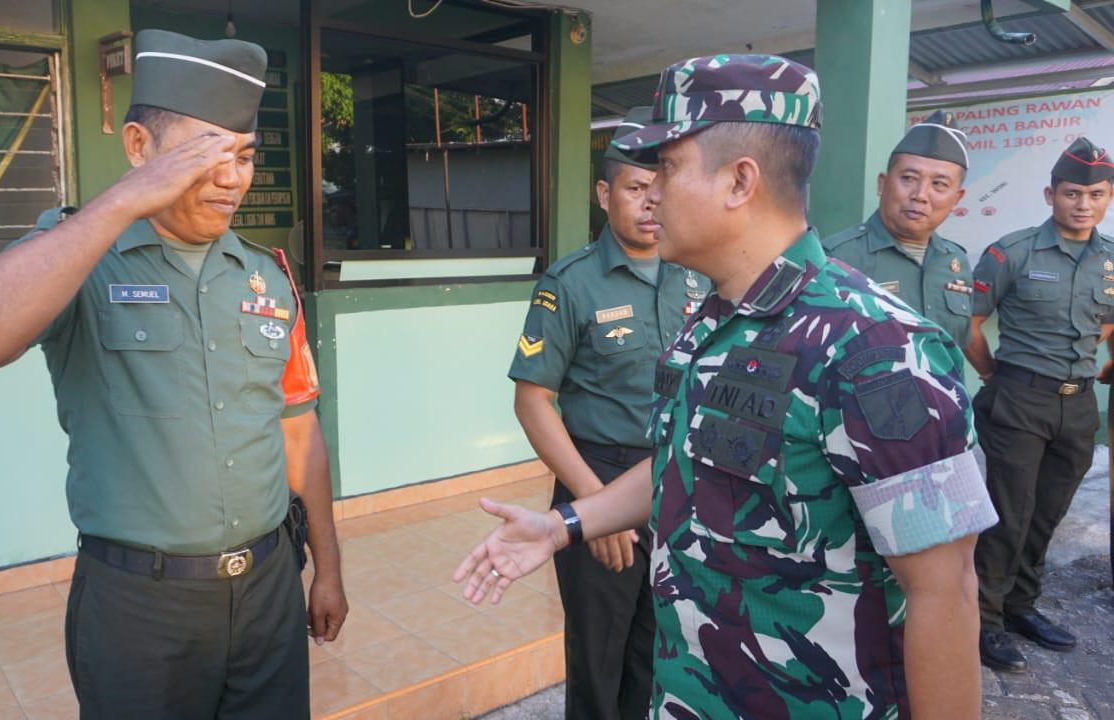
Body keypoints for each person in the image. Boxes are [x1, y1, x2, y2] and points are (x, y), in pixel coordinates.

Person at [455, 53, 998, 719]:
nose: (652, 193)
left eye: (668, 168)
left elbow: (946, 590)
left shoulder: (877, 348)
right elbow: (685, 459)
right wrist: (564, 523)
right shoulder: (718, 318)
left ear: (740, 181)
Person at [0, 30, 347, 718]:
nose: (231, 178)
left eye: (244, 156)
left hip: (270, 588)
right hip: (140, 608)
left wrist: (327, 569)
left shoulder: (267, 278)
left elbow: (299, 434)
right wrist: (123, 202)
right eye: (204, 155)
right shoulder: (81, 259)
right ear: (139, 147)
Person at [508, 106, 709, 720]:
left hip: (675, 480)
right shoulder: (570, 282)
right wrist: (595, 508)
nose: (651, 203)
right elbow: (532, 401)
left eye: (661, 188)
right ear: (603, 195)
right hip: (597, 473)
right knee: (598, 659)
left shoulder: (696, 274)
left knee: (661, 646)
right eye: (634, 189)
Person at [965, 136, 1114, 673]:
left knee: (1048, 512)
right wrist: (993, 374)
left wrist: (1090, 361)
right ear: (1051, 195)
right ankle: (984, 621)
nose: (1083, 204)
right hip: (1019, 400)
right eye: (1072, 193)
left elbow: (1106, 321)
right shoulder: (1014, 251)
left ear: (1108, 197)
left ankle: (1020, 606)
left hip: (1078, 406)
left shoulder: (1111, 259)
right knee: (1009, 515)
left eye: (1095, 194)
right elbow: (970, 324)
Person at [823, 110, 973, 347]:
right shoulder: (835, 258)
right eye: (908, 178)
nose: (920, 195)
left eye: (938, 184)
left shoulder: (955, 262)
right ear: (882, 184)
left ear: (957, 198)